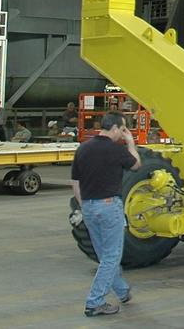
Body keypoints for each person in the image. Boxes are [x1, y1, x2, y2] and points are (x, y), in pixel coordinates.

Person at [70, 111, 141, 317]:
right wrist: (130, 143)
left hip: (89, 207)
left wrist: (85, 207)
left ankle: (122, 291)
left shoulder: (83, 148)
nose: (124, 133)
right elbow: (136, 164)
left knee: (105, 255)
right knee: (111, 256)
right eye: (124, 129)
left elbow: (76, 183)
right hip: (109, 207)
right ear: (116, 128)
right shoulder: (115, 149)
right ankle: (94, 301)